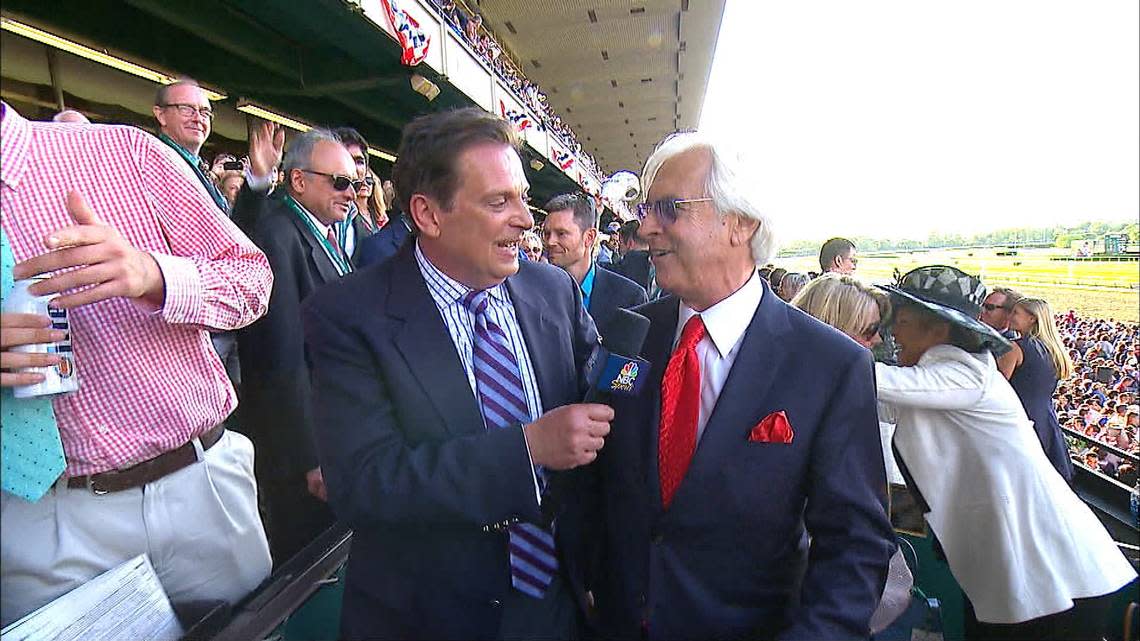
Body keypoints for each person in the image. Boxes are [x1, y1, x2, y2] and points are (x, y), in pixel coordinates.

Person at [302, 108, 611, 640]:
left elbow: (599, 412)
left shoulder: (552, 291)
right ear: (427, 213)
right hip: (430, 617)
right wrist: (527, 449)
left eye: (522, 197)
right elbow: (365, 484)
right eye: (499, 201)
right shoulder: (347, 315)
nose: (524, 219)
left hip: (556, 604)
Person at [591, 131, 894, 639]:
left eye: (668, 208)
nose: (644, 227)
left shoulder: (829, 365)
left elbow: (855, 545)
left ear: (740, 224)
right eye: (645, 208)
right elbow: (601, 483)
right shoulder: (629, 336)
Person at [0, 101, 273, 624]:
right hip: (38, 515)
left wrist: (154, 275)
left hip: (197, 485)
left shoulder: (124, 152)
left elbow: (252, 280)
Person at [874, 265, 1136, 641]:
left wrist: (819, 343)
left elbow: (872, 380)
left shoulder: (965, 372)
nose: (892, 331)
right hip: (1018, 573)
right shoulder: (935, 383)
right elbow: (878, 403)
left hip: (1054, 579)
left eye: (901, 319)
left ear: (937, 327)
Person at [235, 129, 360, 565]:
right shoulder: (278, 234)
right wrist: (309, 456)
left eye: (356, 184)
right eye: (339, 182)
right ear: (299, 181)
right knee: (308, 559)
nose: (351, 194)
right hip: (301, 450)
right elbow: (282, 354)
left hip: (333, 429)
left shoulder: (316, 230)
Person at [542, 193, 646, 335]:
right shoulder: (535, 290)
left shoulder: (630, 297)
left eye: (561, 233)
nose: (550, 242)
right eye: (547, 234)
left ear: (589, 237)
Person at [1001, 297, 1075, 482]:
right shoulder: (1055, 350)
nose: (1010, 316)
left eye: (1016, 312)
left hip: (1019, 418)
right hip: (1046, 419)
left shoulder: (1015, 349)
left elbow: (997, 386)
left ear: (1032, 318)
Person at [151, 78, 229, 214]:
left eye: (205, 112)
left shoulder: (199, 167)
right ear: (161, 115)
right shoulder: (154, 164)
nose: (198, 118)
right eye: (187, 109)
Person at [603, 219, 654, 295]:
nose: (618, 247)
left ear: (630, 243)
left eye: (620, 243)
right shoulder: (656, 269)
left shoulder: (628, 265)